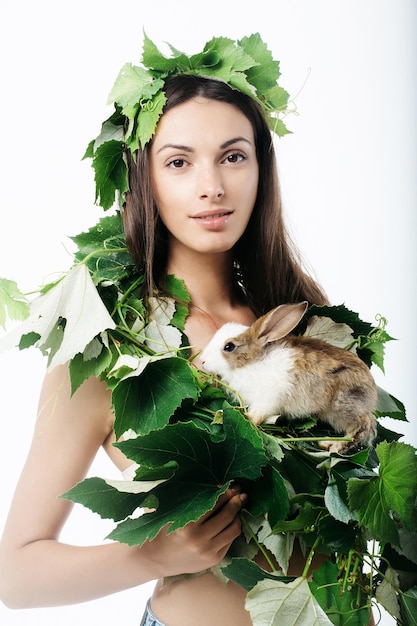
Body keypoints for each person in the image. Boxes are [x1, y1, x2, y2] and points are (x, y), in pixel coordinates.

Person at [0, 34, 347, 626]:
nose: (211, 185)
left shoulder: (301, 320)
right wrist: (151, 555)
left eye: (233, 156)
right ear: (146, 179)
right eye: (179, 161)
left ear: (260, 168)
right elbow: (16, 574)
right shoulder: (112, 349)